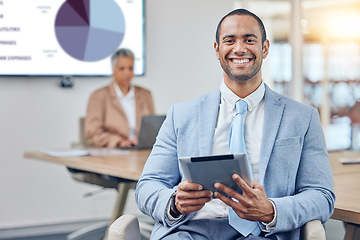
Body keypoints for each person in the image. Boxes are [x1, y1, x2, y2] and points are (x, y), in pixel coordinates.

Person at [135, 8, 335, 240]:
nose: (239, 49)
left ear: (265, 48)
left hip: (263, 233)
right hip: (189, 232)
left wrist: (271, 210)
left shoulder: (302, 117)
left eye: (249, 40)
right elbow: (148, 185)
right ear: (217, 49)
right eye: (230, 41)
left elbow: (322, 196)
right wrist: (174, 202)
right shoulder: (182, 114)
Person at [85, 48, 155, 148]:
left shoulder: (145, 94)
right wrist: (119, 142)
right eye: (122, 68)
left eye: (130, 68)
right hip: (114, 150)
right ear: (113, 70)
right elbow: (93, 132)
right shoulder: (98, 96)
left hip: (142, 150)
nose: (127, 73)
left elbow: (153, 127)